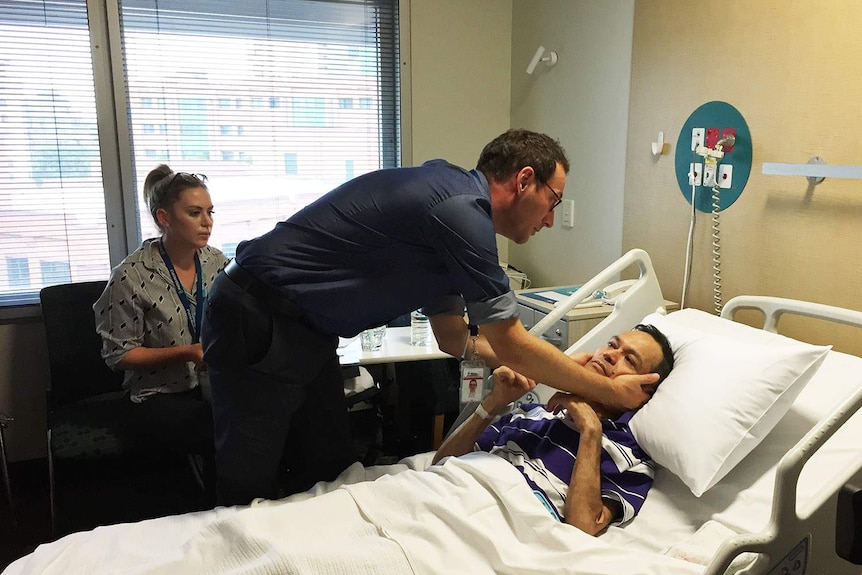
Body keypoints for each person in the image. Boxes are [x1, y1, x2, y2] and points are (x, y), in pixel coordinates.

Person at [201, 128, 660, 506]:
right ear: (524, 181)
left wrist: (548, 367)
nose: (550, 220)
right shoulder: (463, 214)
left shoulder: (448, 195)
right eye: (554, 200)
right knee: (249, 478)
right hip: (257, 314)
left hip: (307, 330)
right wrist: (607, 388)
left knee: (328, 466)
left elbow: (452, 336)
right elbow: (509, 340)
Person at [432, 323, 674, 535]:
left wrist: (590, 430)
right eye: (612, 344)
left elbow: (582, 527)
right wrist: (494, 402)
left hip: (493, 524)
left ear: (644, 393)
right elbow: (442, 463)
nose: (610, 355)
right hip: (445, 496)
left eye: (629, 360)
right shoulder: (533, 413)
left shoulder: (631, 458)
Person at [93, 165, 229, 503]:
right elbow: (119, 355)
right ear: (164, 218)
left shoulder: (217, 263)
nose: (207, 222)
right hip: (157, 395)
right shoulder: (131, 275)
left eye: (210, 212)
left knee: (262, 414)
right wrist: (187, 353)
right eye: (194, 213)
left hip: (211, 385)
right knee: (219, 429)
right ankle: (215, 513)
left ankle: (245, 509)